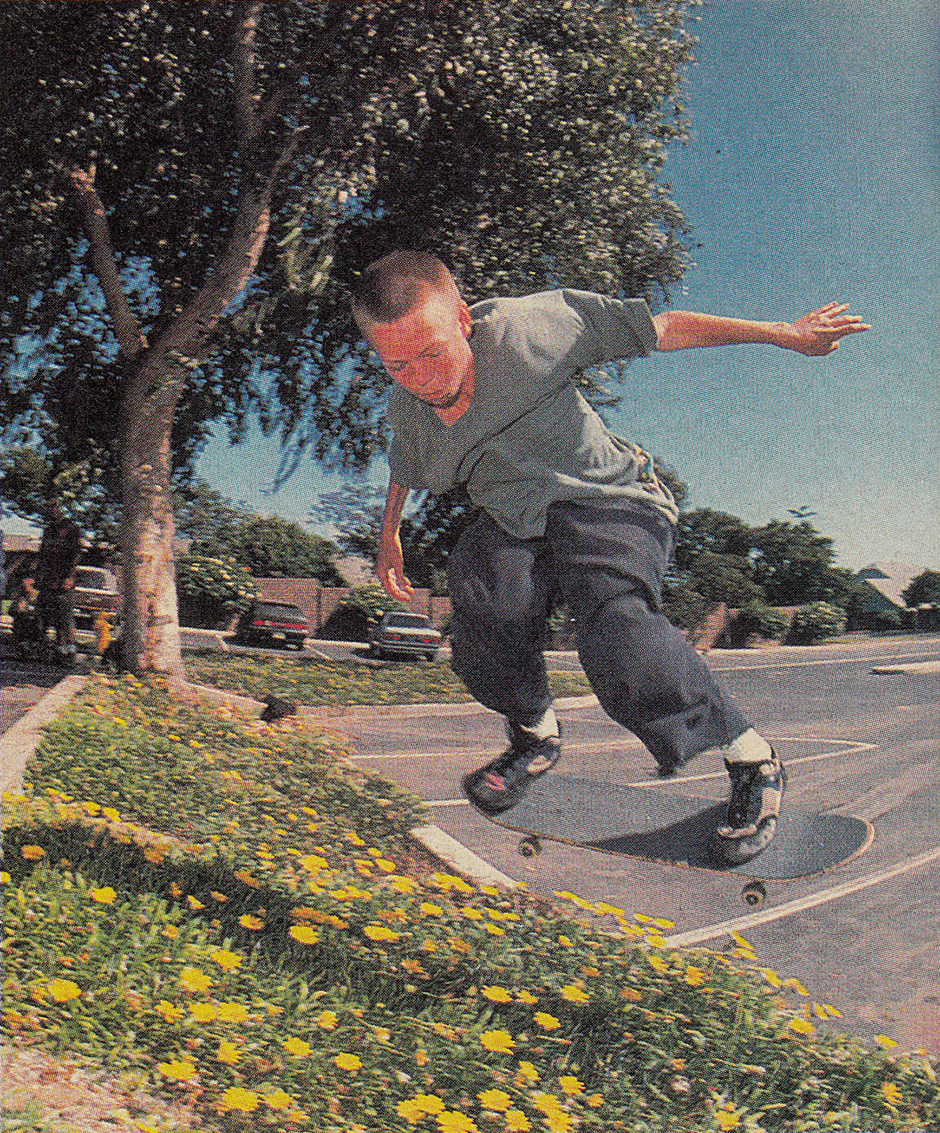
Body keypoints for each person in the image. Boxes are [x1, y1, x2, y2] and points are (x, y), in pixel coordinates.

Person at [352, 251, 869, 864]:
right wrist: (389, 535)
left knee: (619, 632)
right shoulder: (408, 409)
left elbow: (661, 328)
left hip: (610, 500)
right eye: (398, 363)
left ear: (463, 319)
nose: (422, 377)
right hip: (518, 519)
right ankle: (535, 737)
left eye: (432, 351)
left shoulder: (532, 329)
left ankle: (752, 759)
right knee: (482, 612)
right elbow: (404, 468)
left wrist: (786, 334)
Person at [35, 498, 83, 666]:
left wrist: (69, 576)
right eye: (48, 507)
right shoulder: (49, 531)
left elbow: (76, 554)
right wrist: (38, 578)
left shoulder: (71, 529)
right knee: (46, 617)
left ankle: (68, 653)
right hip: (48, 582)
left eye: (54, 507)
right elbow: (42, 555)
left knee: (65, 619)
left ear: (61, 509)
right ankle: (54, 651)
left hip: (64, 582)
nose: (51, 510)